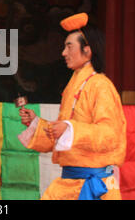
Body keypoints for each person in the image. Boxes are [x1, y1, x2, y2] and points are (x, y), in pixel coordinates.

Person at [18, 13, 126, 200]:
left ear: (88, 51)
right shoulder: (73, 86)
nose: (63, 53)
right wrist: (36, 123)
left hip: (95, 188)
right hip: (69, 184)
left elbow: (111, 135)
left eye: (69, 47)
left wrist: (69, 128)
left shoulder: (101, 85)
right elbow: (62, 136)